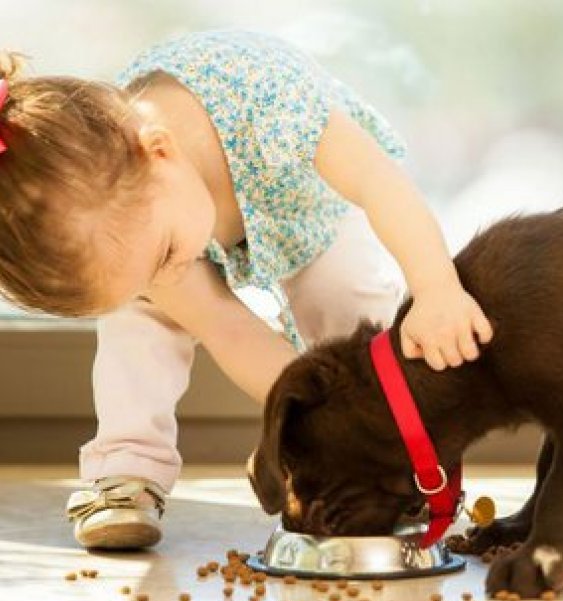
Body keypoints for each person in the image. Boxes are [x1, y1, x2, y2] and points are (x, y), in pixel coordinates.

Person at [0, 30, 492, 549]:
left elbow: (378, 181)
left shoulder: (270, 104)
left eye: (163, 257)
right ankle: (126, 472)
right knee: (137, 326)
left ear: (161, 152)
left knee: (346, 298)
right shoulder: (143, 230)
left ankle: (379, 456)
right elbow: (227, 327)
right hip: (169, 221)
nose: (163, 280)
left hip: (310, 209)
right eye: (142, 278)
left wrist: (436, 285)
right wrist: (303, 428)